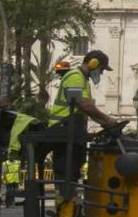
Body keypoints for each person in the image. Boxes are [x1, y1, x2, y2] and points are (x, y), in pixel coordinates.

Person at [44, 49, 119, 189]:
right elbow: (84, 105)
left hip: (71, 130)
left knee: (72, 172)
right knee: (65, 172)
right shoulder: (75, 77)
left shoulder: (82, 80)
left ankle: (68, 204)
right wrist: (107, 120)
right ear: (93, 63)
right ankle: (63, 206)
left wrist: (106, 123)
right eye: (101, 69)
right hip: (63, 130)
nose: (101, 73)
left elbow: (87, 110)